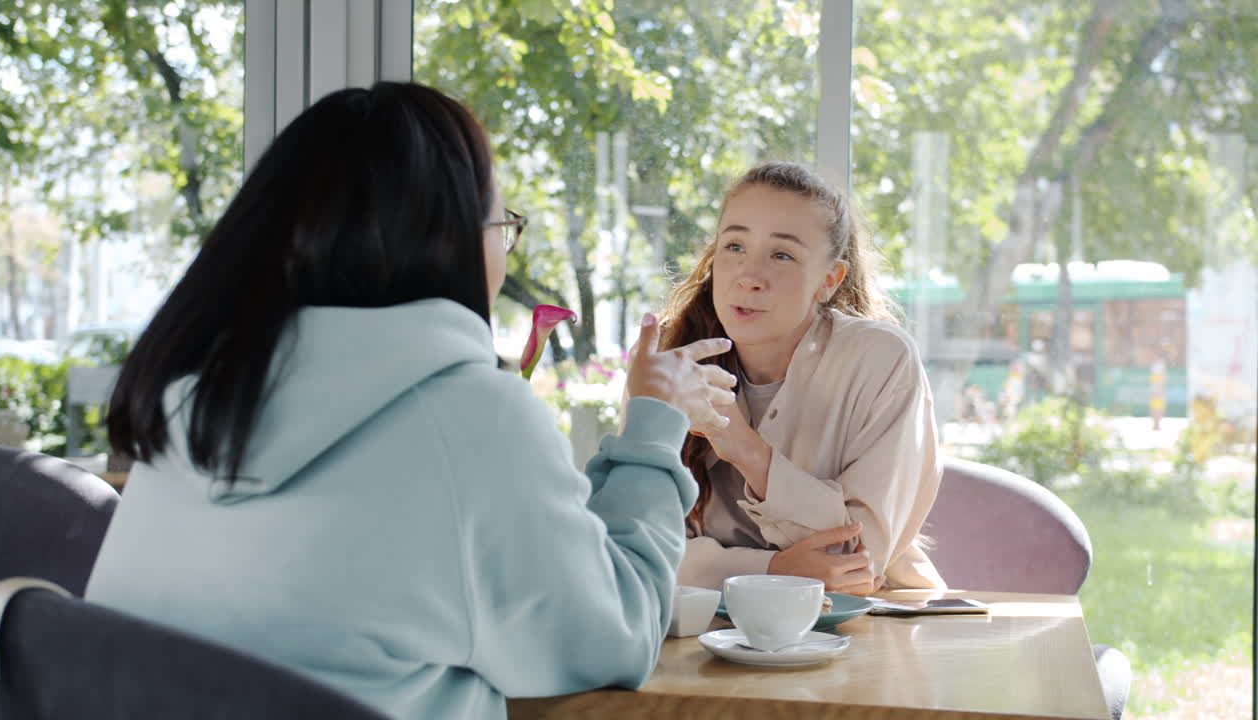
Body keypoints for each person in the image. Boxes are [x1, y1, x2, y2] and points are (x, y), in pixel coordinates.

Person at [84, 82, 736, 720]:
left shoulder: (191, 404)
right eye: (501, 225)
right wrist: (654, 431)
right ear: (449, 241)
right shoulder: (472, 419)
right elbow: (613, 639)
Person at [659, 161, 946, 594]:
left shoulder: (882, 360)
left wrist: (746, 450)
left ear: (829, 280)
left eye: (782, 255)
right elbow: (637, 549)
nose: (750, 277)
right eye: (734, 246)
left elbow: (856, 560)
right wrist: (775, 570)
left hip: (870, 626)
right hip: (706, 634)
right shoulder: (671, 359)